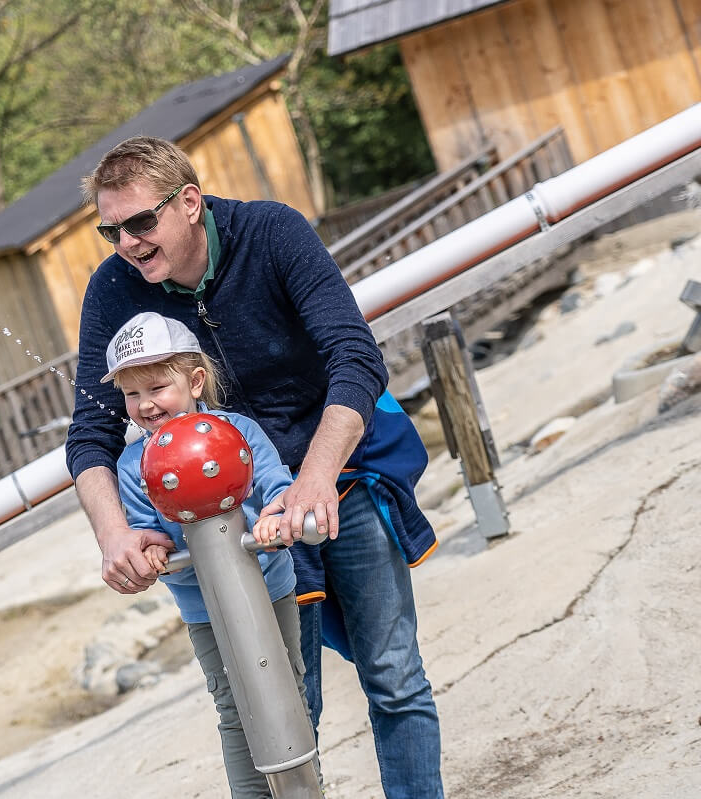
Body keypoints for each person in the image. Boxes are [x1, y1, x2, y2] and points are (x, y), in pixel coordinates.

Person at [65, 136, 444, 798]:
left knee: (393, 673)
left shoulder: (271, 232)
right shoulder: (113, 289)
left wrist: (315, 479)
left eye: (140, 222)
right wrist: (114, 535)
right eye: (111, 230)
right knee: (283, 702)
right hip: (238, 517)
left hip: (338, 473)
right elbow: (90, 432)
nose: (125, 242)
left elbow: (355, 357)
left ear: (189, 203)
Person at [105, 310, 325, 798]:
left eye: (157, 387)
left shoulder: (237, 432)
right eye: (131, 394)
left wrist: (273, 516)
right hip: (203, 608)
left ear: (196, 381)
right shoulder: (132, 463)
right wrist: (154, 550)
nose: (144, 404)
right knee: (232, 706)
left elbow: (277, 486)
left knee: (288, 689)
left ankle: (308, 790)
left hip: (269, 587)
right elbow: (145, 530)